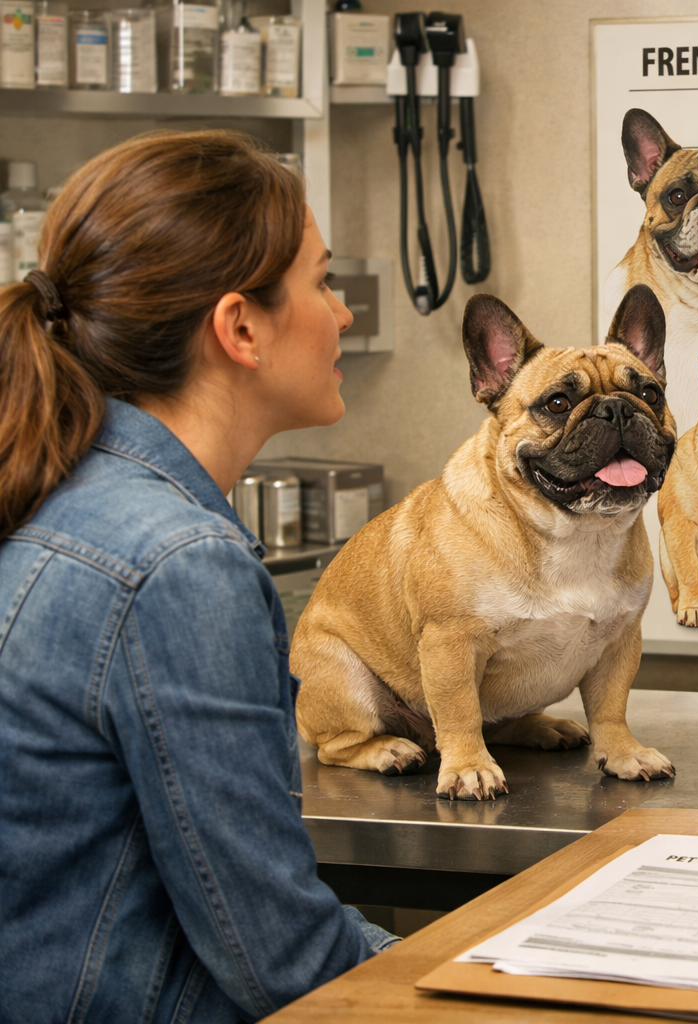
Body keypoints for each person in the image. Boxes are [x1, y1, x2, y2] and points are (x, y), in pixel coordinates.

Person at [0, 131, 396, 1022]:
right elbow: (282, 958)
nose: (341, 315)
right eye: (323, 282)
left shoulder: (56, 491)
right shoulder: (178, 566)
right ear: (240, 328)